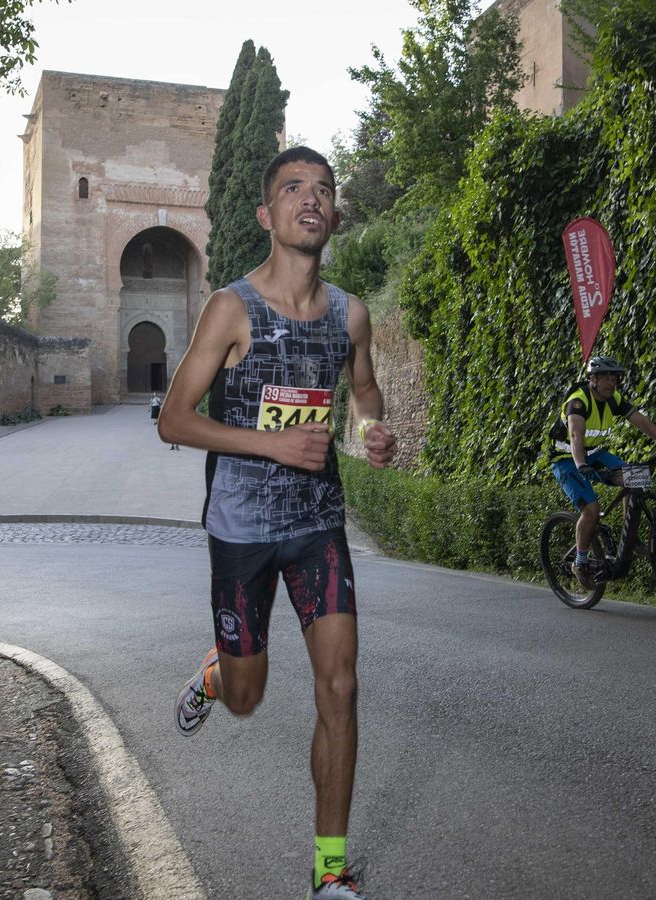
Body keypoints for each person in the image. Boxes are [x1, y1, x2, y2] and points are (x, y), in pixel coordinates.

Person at [159, 146, 396, 900]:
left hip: (318, 523)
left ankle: (331, 870)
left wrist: (372, 433)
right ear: (266, 215)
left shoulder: (350, 313)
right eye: (294, 188)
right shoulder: (232, 308)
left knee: (341, 686)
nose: (312, 199)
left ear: (333, 213)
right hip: (241, 529)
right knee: (248, 696)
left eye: (324, 189)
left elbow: (364, 394)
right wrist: (271, 444)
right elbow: (173, 420)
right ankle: (214, 673)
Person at [548, 355, 656, 588]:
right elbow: (576, 436)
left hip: (596, 454)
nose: (611, 383)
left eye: (614, 379)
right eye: (606, 378)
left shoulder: (614, 399)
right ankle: (579, 562)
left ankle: (629, 538)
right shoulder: (578, 402)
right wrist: (581, 465)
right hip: (567, 459)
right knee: (591, 510)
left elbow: (640, 420)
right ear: (593, 380)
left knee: (636, 477)